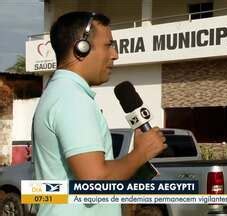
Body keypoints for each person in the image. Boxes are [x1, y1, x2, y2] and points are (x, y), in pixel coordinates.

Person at [32, 11, 167, 216]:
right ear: (81, 48)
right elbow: (95, 181)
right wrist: (141, 153)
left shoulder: (59, 92)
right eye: (108, 45)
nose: (115, 54)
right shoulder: (72, 98)